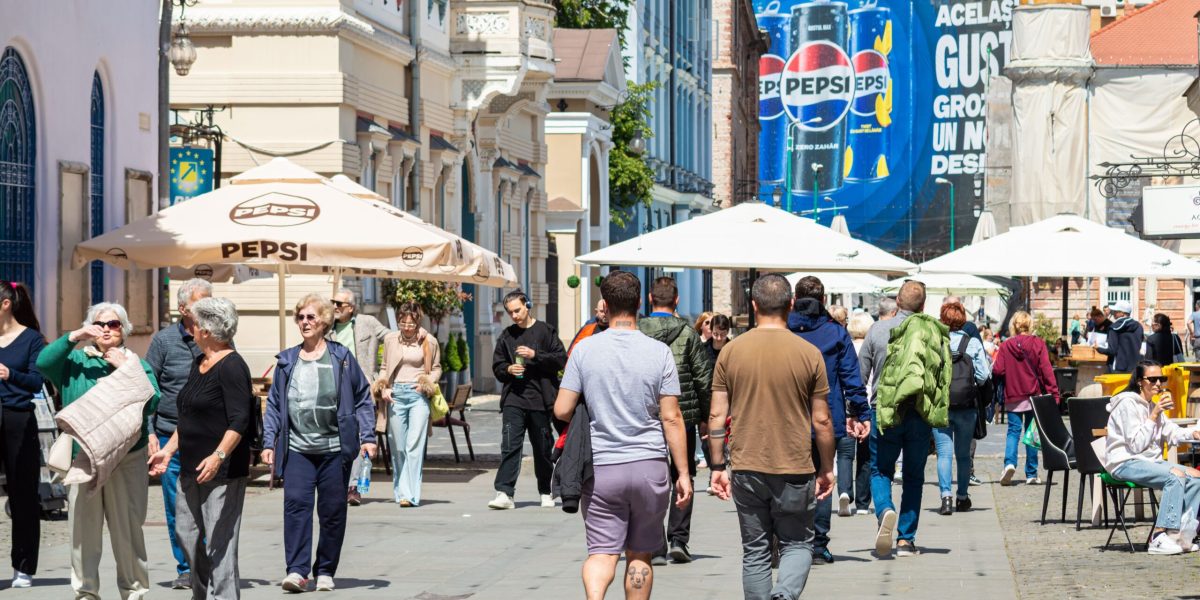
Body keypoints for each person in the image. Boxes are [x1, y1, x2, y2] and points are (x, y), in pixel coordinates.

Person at [553, 270, 692, 600]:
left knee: (601, 553)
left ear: (604, 303)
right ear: (640, 302)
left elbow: (561, 409)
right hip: (649, 467)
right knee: (640, 554)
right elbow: (672, 417)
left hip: (602, 468)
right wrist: (683, 473)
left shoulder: (585, 350)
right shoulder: (658, 352)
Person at [708, 273, 834, 599]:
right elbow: (822, 421)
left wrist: (718, 466)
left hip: (747, 464)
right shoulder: (808, 354)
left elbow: (716, 416)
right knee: (798, 543)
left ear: (754, 305)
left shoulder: (731, 352)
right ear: (790, 305)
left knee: (755, 549)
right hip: (795, 464)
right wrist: (827, 467)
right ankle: (785, 594)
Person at [37, 303, 160, 599]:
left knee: (128, 532)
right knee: (83, 534)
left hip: (127, 458)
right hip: (84, 459)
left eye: (114, 324)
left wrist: (126, 369)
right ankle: (86, 593)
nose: (106, 328)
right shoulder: (75, 362)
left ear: (124, 330)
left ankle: (134, 592)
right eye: (99, 323)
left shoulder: (136, 363)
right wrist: (74, 336)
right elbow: (43, 363)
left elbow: (153, 400)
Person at [261, 294, 378, 592]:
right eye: (301, 317)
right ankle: (297, 571)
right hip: (298, 449)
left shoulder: (340, 358)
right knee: (296, 506)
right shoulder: (287, 361)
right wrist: (269, 442)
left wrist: (368, 437)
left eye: (311, 317)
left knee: (332, 511)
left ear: (324, 321)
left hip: (334, 450)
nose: (305, 322)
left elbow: (363, 397)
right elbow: (274, 405)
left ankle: (325, 569)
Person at [147, 297, 252, 599]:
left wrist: (218, 456)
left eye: (193, 323)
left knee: (220, 543)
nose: (189, 327)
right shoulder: (200, 362)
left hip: (222, 473)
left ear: (206, 329)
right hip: (189, 468)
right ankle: (201, 593)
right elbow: (188, 417)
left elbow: (239, 420)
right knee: (187, 535)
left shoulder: (233, 366)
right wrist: (168, 451)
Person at [861, 280, 948, 558]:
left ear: (897, 302)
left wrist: (858, 412)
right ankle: (906, 541)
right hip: (920, 413)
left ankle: (885, 509)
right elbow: (942, 377)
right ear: (923, 306)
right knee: (913, 477)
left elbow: (861, 375)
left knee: (881, 469)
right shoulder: (934, 331)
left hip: (884, 409)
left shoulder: (877, 330)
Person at [786, 276, 869, 564]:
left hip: (786, 418)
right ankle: (818, 545)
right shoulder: (835, 333)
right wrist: (860, 411)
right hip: (826, 415)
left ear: (795, 299)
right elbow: (850, 376)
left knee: (788, 481)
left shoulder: (782, 330)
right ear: (823, 300)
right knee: (823, 477)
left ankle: (788, 541)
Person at [638, 277, 713, 565]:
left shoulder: (638, 332)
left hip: (646, 415)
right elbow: (703, 379)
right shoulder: (687, 333)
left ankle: (655, 543)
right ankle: (679, 539)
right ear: (677, 300)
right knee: (684, 474)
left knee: (651, 479)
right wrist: (706, 418)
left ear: (649, 298)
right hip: (683, 416)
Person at [144, 277, 211, 589]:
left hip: (209, 438)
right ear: (183, 308)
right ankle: (186, 567)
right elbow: (148, 389)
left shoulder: (218, 337)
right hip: (170, 437)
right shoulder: (163, 341)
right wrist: (149, 433)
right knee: (176, 507)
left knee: (209, 506)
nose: (209, 306)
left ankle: (207, 562)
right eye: (202, 301)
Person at [1104, 361, 1200, 555]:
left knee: (1195, 478)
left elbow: (1171, 432)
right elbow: (1136, 445)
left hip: (1150, 462)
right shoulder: (1126, 404)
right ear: (1140, 381)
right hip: (1124, 462)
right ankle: (1158, 536)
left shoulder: (1151, 405)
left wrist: (1194, 434)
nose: (1158, 384)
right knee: (1175, 475)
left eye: (1162, 379)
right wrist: (1154, 414)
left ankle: (1180, 535)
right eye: (1153, 379)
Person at [489, 290, 567, 510]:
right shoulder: (507, 335)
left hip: (541, 400)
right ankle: (504, 492)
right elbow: (497, 366)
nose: (514, 315)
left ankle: (547, 491)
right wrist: (507, 368)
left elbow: (560, 359)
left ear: (527, 306)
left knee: (543, 447)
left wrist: (535, 355)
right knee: (510, 446)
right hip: (514, 398)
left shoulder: (545, 331)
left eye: (517, 310)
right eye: (510, 312)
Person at [0, 281, 45, 589]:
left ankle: (24, 566)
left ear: (5, 304)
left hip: (18, 421)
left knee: (23, 496)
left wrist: (9, 374)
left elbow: (38, 381)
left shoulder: (32, 339)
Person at [328, 288, 391, 507]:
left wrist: (420, 335)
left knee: (359, 438)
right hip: (332, 390)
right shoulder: (327, 328)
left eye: (339, 303)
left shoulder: (367, 322)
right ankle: (336, 484)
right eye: (332, 302)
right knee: (335, 438)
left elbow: (391, 338)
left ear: (351, 308)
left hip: (360, 389)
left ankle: (353, 487)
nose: (334, 306)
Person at [377, 302, 440, 507]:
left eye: (411, 324)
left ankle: (409, 494)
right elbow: (385, 366)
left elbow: (437, 368)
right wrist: (383, 387)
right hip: (396, 395)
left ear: (418, 321)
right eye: (402, 323)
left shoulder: (428, 341)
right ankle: (401, 490)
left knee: (414, 445)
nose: (406, 327)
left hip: (417, 396)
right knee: (397, 446)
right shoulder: (390, 340)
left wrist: (426, 384)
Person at [933, 302, 990, 515]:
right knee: (963, 454)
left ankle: (945, 497)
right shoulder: (973, 343)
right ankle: (962, 497)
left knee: (944, 454)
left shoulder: (936, 342)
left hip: (942, 405)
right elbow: (984, 376)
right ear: (963, 319)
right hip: (967, 406)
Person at [992, 311, 1060, 486]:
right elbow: (1047, 372)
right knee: (1032, 434)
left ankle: (1009, 464)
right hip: (1033, 396)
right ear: (1029, 325)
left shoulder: (1006, 346)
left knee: (1013, 431)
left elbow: (998, 370)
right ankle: (1031, 472)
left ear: (1013, 326)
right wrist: (1054, 395)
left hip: (1013, 395)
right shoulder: (1038, 344)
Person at [845, 311, 875, 515]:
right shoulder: (872, 346)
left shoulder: (846, 347)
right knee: (865, 455)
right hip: (869, 402)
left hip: (846, 405)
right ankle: (863, 503)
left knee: (845, 453)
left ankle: (845, 492)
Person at [1098, 301, 1144, 374]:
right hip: (1135, 367)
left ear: (1122, 313)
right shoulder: (1139, 326)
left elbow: (1112, 351)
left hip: (1117, 367)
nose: (1113, 313)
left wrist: (1098, 348)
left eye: (1116, 311)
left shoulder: (1114, 327)